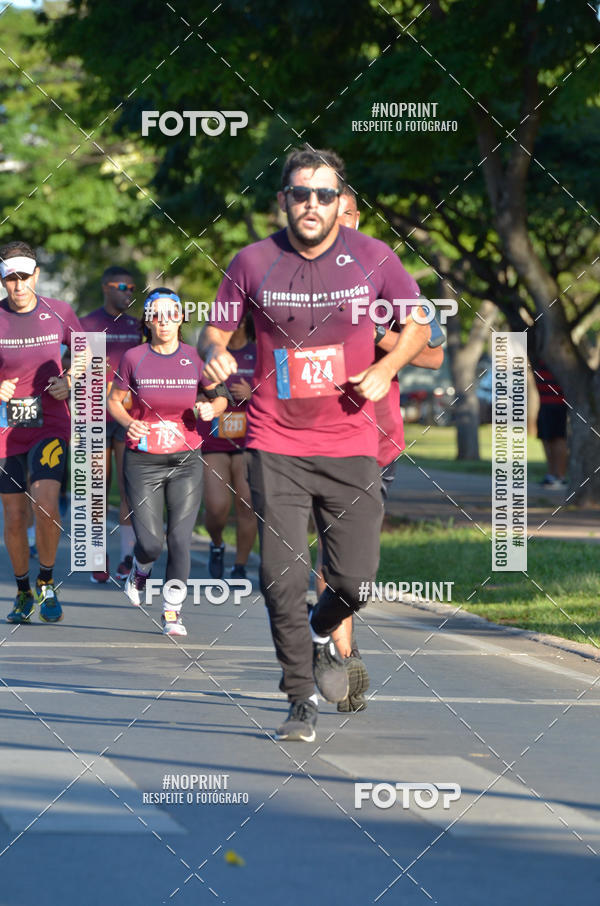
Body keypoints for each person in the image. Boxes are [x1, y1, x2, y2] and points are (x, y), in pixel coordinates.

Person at [202, 147, 430, 741]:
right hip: (275, 439)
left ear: (340, 202)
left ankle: (322, 626)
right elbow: (215, 328)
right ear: (283, 200)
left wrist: (388, 367)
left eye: (324, 195)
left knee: (355, 581)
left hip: (351, 441)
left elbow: (419, 325)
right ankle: (299, 697)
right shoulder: (252, 261)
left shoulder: (374, 258)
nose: (312, 204)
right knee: (281, 575)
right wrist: (214, 352)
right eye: (301, 193)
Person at [313, 187, 444, 712]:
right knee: (330, 547)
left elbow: (433, 358)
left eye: (342, 214)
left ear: (357, 219)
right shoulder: (295, 283)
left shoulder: (385, 274)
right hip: (315, 437)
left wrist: (377, 338)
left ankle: (330, 632)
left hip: (376, 439)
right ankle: (341, 651)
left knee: (357, 563)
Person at [107, 288, 227, 636]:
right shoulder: (134, 357)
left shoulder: (194, 357)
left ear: (181, 318)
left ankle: (172, 612)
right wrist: (129, 422)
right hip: (143, 460)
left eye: (171, 313)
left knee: (179, 539)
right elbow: (115, 401)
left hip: (186, 458)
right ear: (148, 319)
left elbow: (219, 399)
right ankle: (140, 571)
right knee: (151, 543)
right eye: (156, 314)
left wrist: (210, 408)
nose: (164, 321)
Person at [0, 240, 82, 624]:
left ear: (36, 275)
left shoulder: (60, 311)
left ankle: (47, 579)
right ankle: (22, 591)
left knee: (45, 502)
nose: (18, 286)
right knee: (15, 517)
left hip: (49, 423)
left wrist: (71, 379)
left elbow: (86, 353)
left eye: (23, 277)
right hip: (6, 427)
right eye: (10, 279)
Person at [80, 266, 141, 582]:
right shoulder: (89, 324)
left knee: (129, 484)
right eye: (122, 287)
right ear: (106, 287)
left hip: (126, 414)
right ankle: (95, 555)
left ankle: (126, 557)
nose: (128, 293)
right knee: (96, 488)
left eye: (132, 288)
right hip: (93, 415)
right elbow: (72, 369)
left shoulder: (136, 326)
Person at [198, 311, 257, 581]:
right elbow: (195, 386)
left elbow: (279, 389)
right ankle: (218, 543)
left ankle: (241, 565)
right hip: (214, 439)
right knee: (217, 506)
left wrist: (252, 393)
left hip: (250, 439)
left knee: (246, 502)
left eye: (236, 323)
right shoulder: (208, 354)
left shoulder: (258, 352)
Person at [533, 361, 568, 488]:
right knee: (546, 439)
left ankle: (560, 476)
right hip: (544, 404)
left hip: (558, 405)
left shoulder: (561, 364)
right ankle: (551, 475)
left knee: (558, 439)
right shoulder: (540, 360)